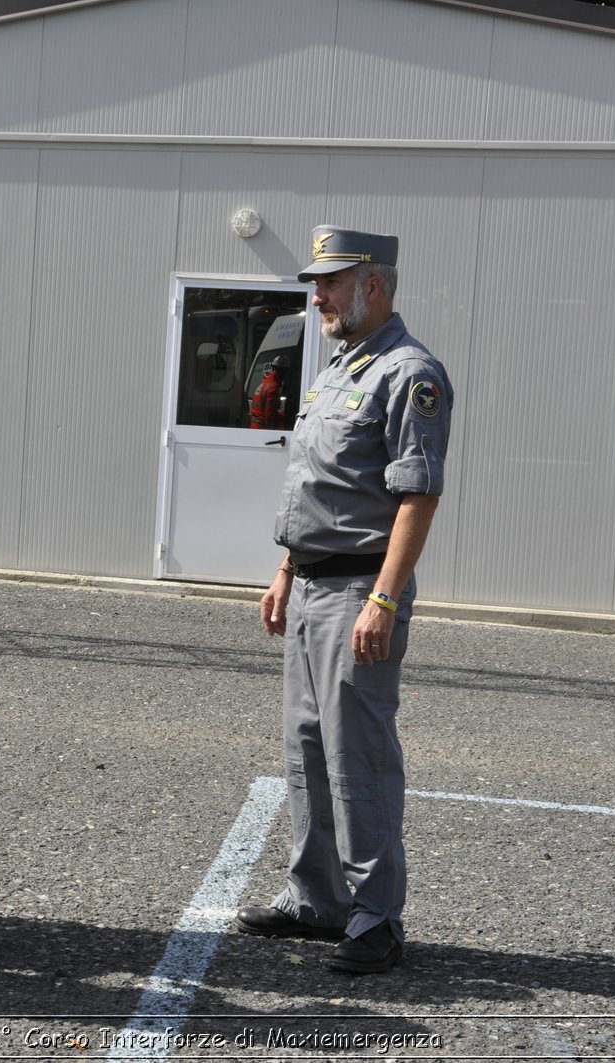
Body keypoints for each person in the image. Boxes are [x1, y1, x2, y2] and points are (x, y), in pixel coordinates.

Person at [234, 225, 454, 976]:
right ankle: (319, 899)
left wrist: (385, 601)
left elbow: (417, 496)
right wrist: (286, 573)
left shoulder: (409, 373)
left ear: (376, 284)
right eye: (317, 282)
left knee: (357, 757)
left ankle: (376, 917)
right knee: (306, 750)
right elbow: (315, 488)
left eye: (331, 281)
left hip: (361, 588)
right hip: (310, 585)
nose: (317, 294)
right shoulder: (337, 368)